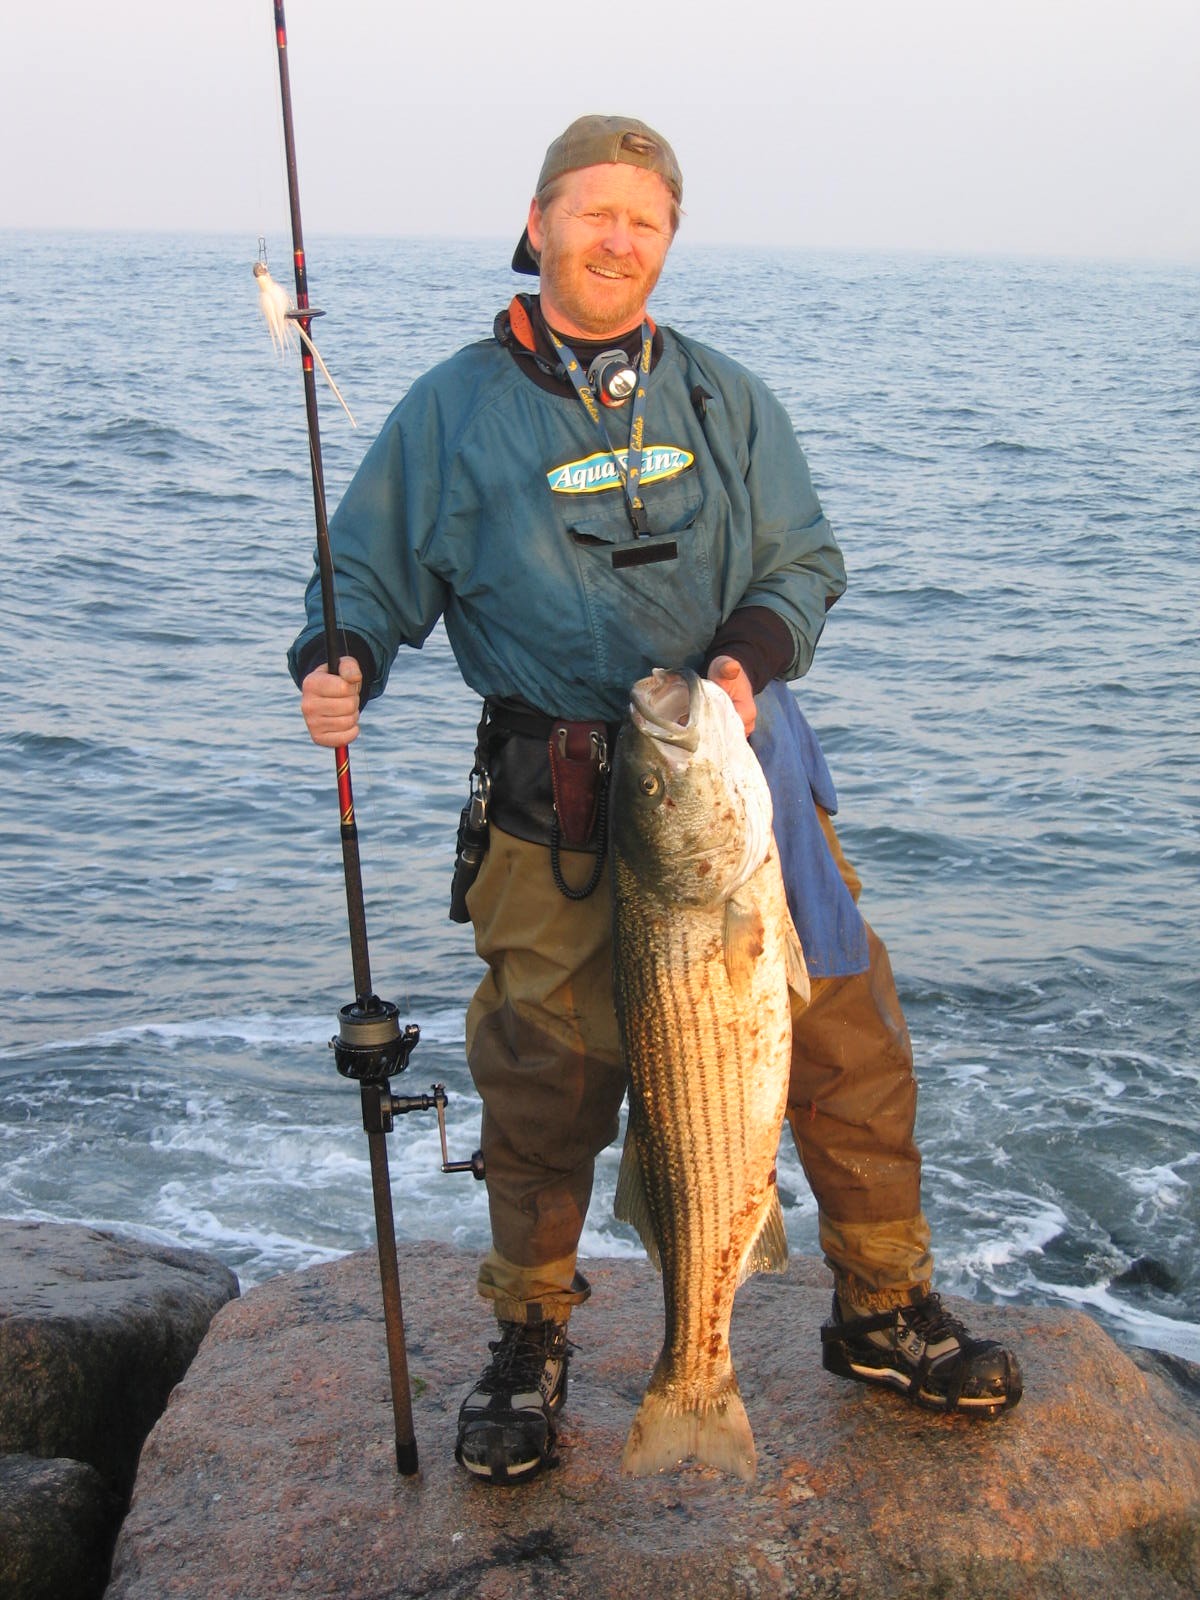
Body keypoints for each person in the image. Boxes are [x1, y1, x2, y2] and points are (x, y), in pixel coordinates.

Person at [290, 115, 1022, 1485]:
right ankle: (531, 1337)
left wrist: (742, 665)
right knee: (545, 1078)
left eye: (647, 219)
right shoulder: (452, 410)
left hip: (737, 783)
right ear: (541, 221)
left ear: (669, 242)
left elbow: (807, 559)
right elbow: (366, 580)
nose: (619, 238)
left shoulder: (727, 399)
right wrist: (339, 657)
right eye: (594, 211)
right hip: (550, 797)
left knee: (848, 1042)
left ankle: (880, 1304)